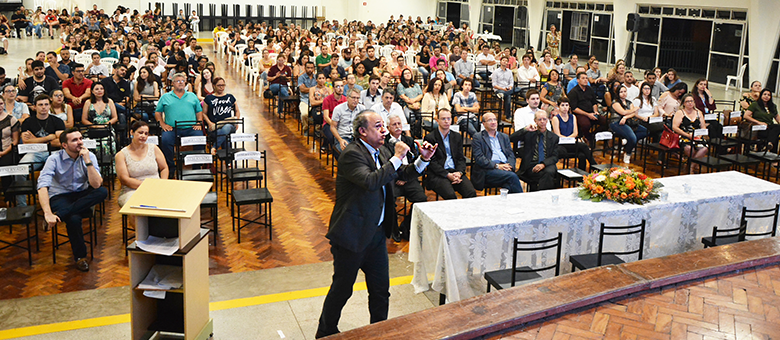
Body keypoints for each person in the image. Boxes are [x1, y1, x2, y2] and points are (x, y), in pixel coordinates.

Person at [315, 109, 436, 339]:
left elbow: (401, 173)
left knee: (381, 292)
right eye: (378, 126)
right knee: (342, 289)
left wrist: (423, 159)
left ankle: (378, 332)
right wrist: (397, 157)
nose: (384, 130)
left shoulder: (380, 152)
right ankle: (325, 332)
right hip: (352, 235)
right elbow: (371, 181)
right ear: (362, 131)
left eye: (383, 126)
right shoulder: (352, 154)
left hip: (376, 236)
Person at [39, 128, 107, 272]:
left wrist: (87, 161)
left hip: (81, 193)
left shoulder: (89, 156)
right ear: (64, 145)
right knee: (74, 219)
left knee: (102, 192)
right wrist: (47, 213)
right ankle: (80, 257)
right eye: (75, 140)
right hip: (60, 195)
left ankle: (61, 215)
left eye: (81, 138)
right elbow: (42, 186)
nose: (80, 142)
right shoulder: (54, 159)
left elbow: (96, 184)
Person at [382, 113, 427, 240]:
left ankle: (405, 226)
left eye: (399, 124)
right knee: (390, 201)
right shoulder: (385, 143)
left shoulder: (409, 140)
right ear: (388, 127)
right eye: (394, 124)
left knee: (422, 199)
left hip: (409, 178)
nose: (397, 127)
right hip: (394, 180)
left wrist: (407, 177)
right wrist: (398, 178)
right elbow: (387, 164)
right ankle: (394, 231)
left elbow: (415, 160)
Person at [155, 72, 204, 176]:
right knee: (165, 140)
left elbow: (199, 111)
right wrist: (162, 124)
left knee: (200, 138)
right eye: (178, 81)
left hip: (191, 127)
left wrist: (199, 123)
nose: (180, 83)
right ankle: (170, 167)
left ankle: (196, 166)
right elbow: (158, 112)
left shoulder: (192, 96)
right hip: (172, 128)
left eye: (182, 81)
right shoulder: (165, 97)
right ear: (173, 83)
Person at [423, 108, 476, 200]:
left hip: (455, 171)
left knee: (471, 193)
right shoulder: (430, 137)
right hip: (438, 174)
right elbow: (432, 163)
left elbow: (460, 158)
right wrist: (448, 175)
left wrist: (459, 173)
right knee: (450, 196)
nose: (447, 121)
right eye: (443, 119)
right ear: (437, 120)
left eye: (449, 118)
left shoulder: (456, 136)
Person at [116, 121, 168, 207]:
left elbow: (164, 168)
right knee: (136, 205)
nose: (143, 136)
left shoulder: (154, 148)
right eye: (140, 133)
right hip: (132, 190)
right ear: (131, 132)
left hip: (156, 187)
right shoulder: (121, 155)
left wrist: (162, 184)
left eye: (146, 133)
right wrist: (147, 187)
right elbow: (124, 179)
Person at [471, 112, 522, 193]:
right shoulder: (478, 137)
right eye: (490, 120)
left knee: (509, 185)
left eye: (495, 119)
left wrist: (509, 166)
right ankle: (522, 202)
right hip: (488, 169)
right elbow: (479, 158)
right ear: (484, 124)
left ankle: (507, 203)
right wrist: (497, 166)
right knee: (512, 177)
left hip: (505, 168)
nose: (493, 122)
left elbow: (511, 154)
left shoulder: (504, 136)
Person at [510, 111, 559, 191]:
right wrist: (525, 129)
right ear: (535, 121)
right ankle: (542, 196)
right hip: (531, 164)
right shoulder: (529, 133)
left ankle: (538, 195)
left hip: (547, 164)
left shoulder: (553, 137)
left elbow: (555, 156)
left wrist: (543, 164)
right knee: (547, 176)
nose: (542, 122)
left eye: (544, 119)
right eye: (539, 119)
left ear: (547, 120)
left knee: (548, 172)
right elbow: (511, 139)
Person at [552, 97, 597, 171]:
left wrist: (569, 139)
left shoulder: (573, 117)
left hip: (572, 142)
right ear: (559, 107)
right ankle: (595, 166)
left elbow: (575, 132)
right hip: (561, 143)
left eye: (566, 105)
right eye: (562, 105)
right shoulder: (556, 118)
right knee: (584, 146)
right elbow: (557, 134)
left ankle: (581, 176)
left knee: (582, 155)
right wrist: (568, 139)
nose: (565, 107)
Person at [610, 85, 648, 164]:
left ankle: (627, 140)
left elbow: (633, 114)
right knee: (632, 138)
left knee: (645, 131)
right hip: (616, 122)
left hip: (627, 122)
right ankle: (627, 153)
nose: (623, 93)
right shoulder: (615, 102)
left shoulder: (629, 102)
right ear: (618, 93)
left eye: (625, 91)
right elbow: (623, 112)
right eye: (621, 92)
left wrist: (626, 117)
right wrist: (633, 110)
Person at [673, 94, 709, 172]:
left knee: (704, 149)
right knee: (689, 148)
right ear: (683, 103)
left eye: (691, 101)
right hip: (684, 135)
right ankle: (693, 165)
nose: (690, 103)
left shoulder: (698, 112)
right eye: (687, 101)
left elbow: (703, 127)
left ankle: (691, 164)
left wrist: (700, 135)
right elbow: (675, 127)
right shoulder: (680, 112)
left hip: (697, 135)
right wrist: (687, 135)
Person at [203, 77, 241, 150]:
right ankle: (227, 159)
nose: (221, 87)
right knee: (224, 136)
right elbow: (204, 113)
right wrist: (210, 123)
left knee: (226, 128)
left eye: (223, 85)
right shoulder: (209, 98)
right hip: (215, 126)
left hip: (229, 125)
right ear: (214, 86)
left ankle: (215, 147)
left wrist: (236, 122)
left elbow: (237, 111)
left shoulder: (230, 97)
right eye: (219, 85)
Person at [567, 72, 603, 143]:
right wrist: (587, 114)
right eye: (583, 78)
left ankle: (592, 135)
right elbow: (574, 108)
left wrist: (595, 111)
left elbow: (594, 102)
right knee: (586, 124)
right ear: (578, 80)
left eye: (586, 78)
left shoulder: (590, 89)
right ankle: (588, 137)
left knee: (605, 121)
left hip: (591, 112)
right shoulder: (573, 92)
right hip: (580, 114)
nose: (586, 80)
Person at [744, 89, 780, 153]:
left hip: (769, 126)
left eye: (769, 95)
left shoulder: (773, 106)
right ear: (761, 95)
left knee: (777, 127)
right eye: (765, 94)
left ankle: (769, 143)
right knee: (775, 136)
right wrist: (759, 122)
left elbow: (778, 118)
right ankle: (772, 155)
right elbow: (746, 116)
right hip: (759, 127)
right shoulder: (755, 104)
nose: (766, 96)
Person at [330, 89, 365, 153]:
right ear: (347, 98)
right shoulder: (338, 109)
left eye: (358, 98)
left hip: (357, 137)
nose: (356, 100)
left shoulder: (362, 109)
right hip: (343, 137)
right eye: (353, 98)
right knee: (349, 153)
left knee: (365, 152)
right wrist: (340, 140)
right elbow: (333, 127)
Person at [0, 99, 19, 196]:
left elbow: (15, 141)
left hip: (7, 150)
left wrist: (3, 152)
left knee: (5, 166)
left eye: (1, 104)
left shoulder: (11, 119)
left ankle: (9, 198)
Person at [491, 56, 515, 121]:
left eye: (506, 61)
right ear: (501, 61)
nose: (505, 62)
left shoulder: (509, 72)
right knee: (508, 97)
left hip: (507, 89)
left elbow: (511, 82)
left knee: (517, 88)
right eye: (503, 60)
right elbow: (494, 84)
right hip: (499, 89)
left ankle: (504, 94)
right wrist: (502, 89)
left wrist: (510, 87)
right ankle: (508, 116)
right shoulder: (496, 71)